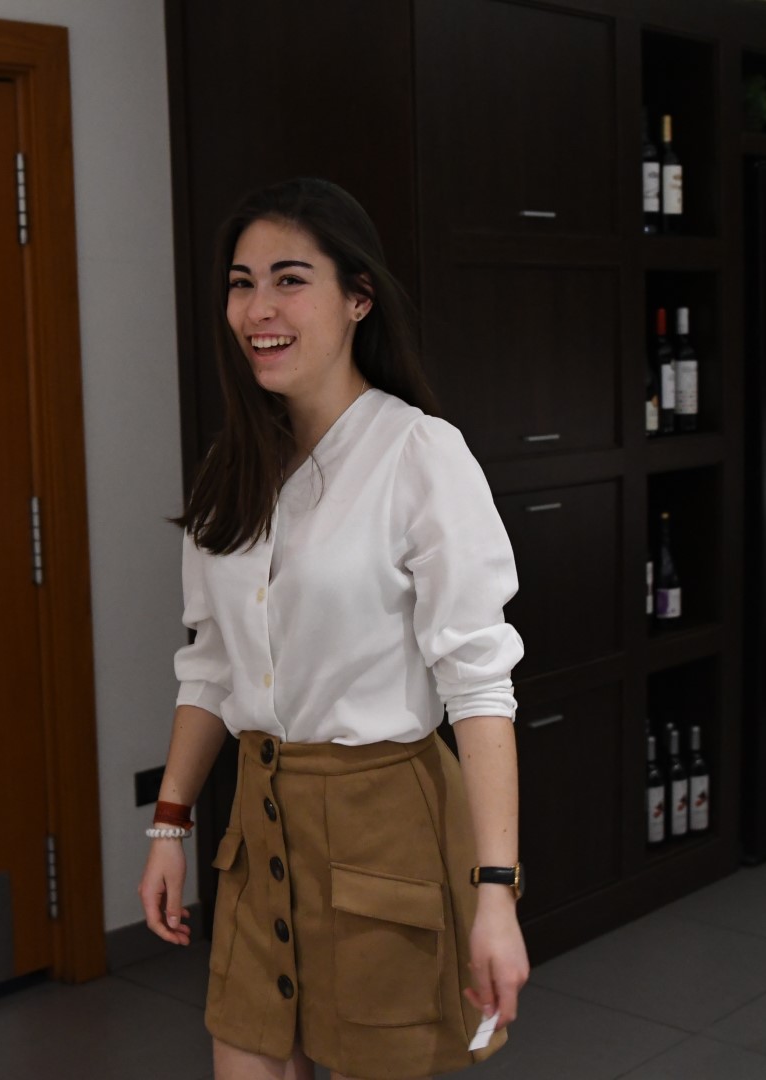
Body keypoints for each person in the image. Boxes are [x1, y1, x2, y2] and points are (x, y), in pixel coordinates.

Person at [139, 178, 529, 1080]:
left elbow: (479, 688)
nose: (259, 310)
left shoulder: (419, 454)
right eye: (241, 284)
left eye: (290, 280)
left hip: (386, 836)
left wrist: (496, 893)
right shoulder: (230, 469)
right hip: (258, 832)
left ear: (358, 298)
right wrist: (169, 826)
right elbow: (210, 664)